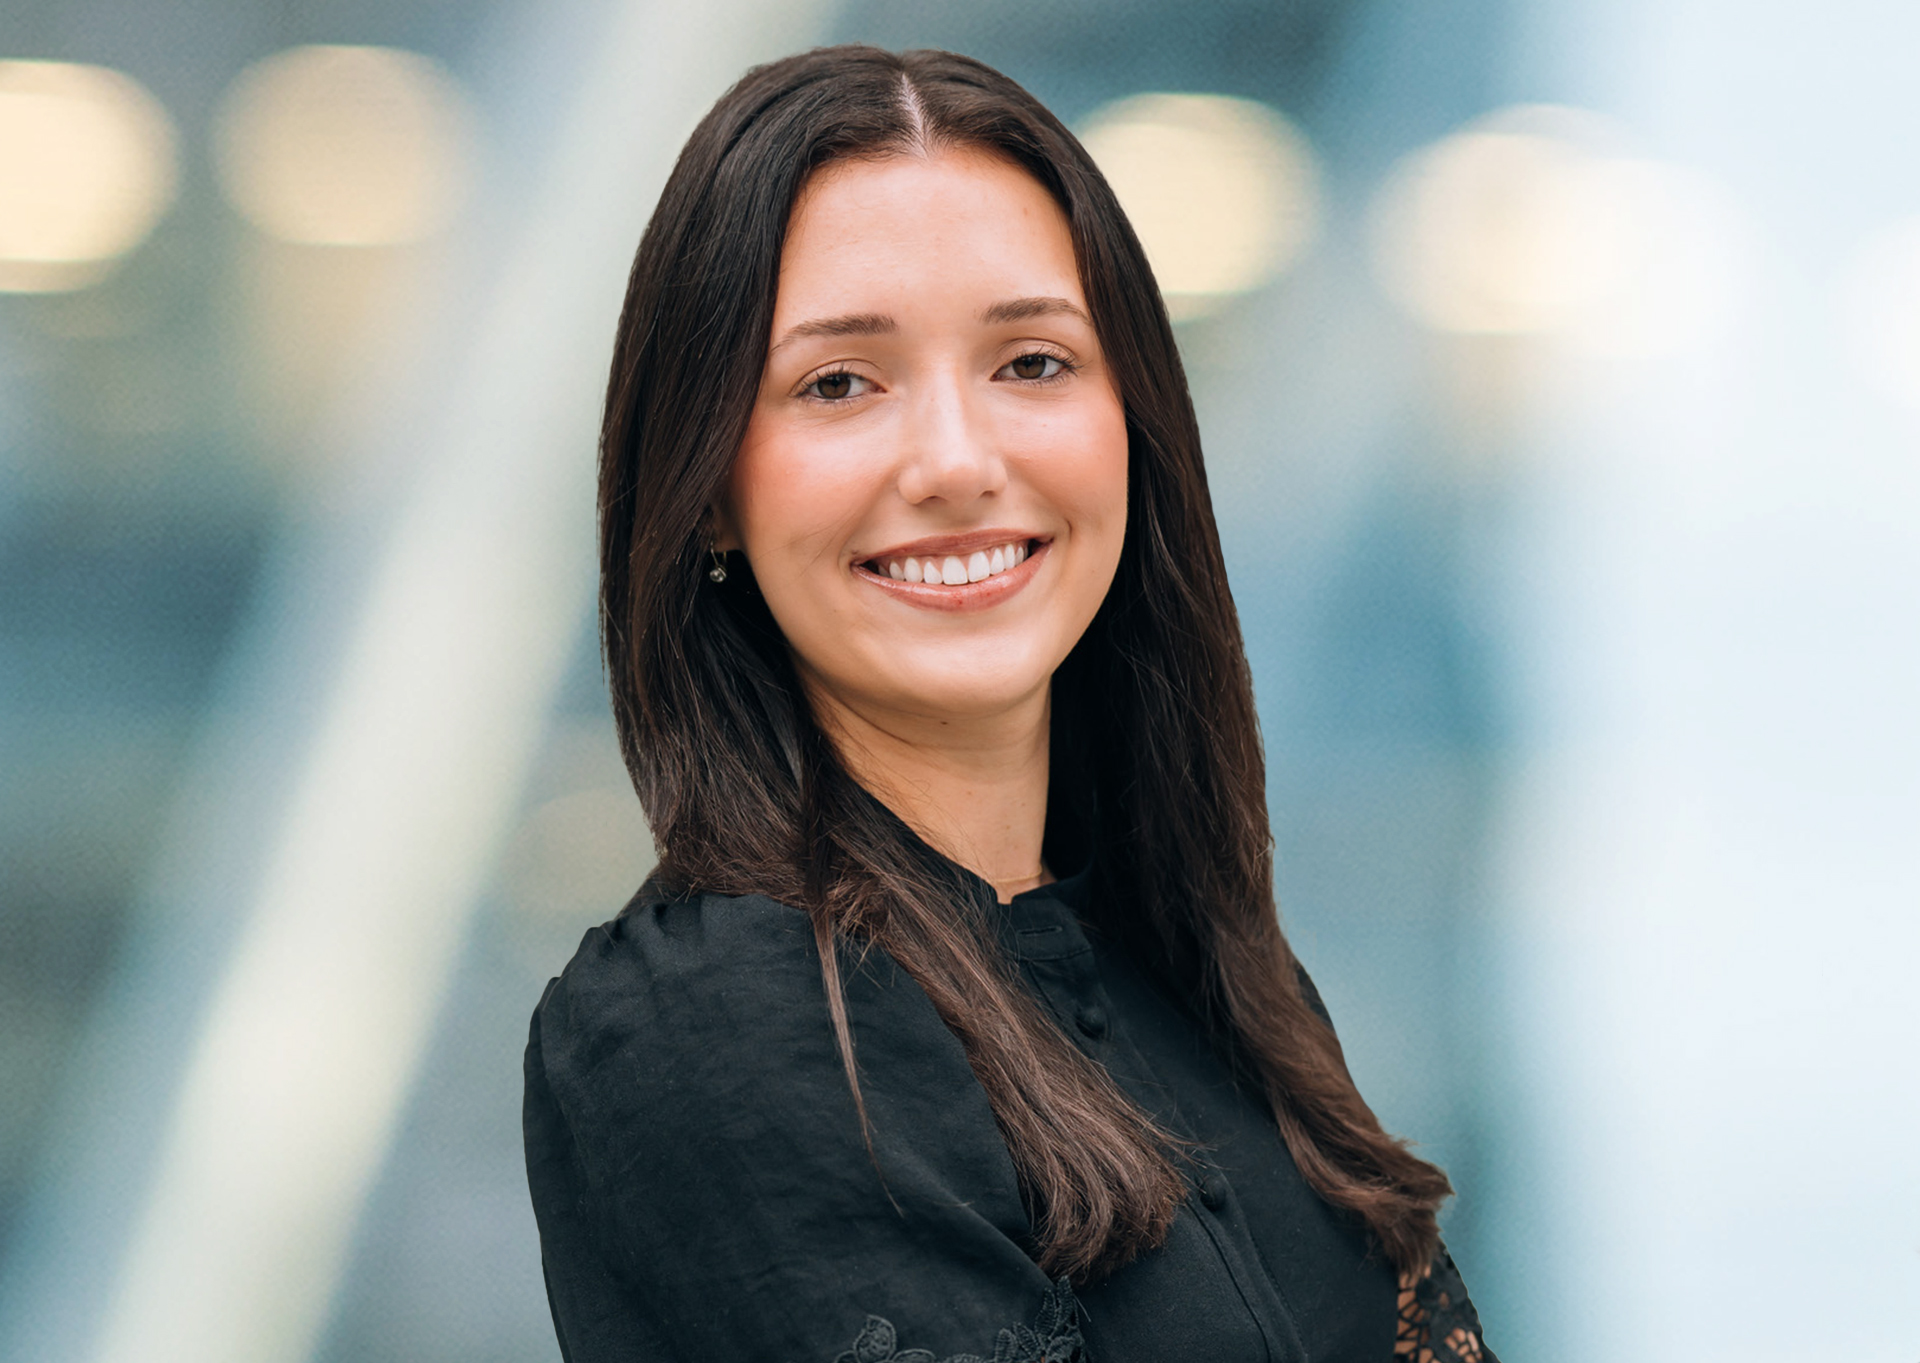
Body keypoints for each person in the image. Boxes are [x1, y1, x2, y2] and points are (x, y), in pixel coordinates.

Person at [523, 44, 1497, 1363]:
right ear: (707, 489)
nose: (956, 461)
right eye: (839, 383)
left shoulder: (1202, 974)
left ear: (1134, 421)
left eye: (1032, 362)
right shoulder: (721, 1020)